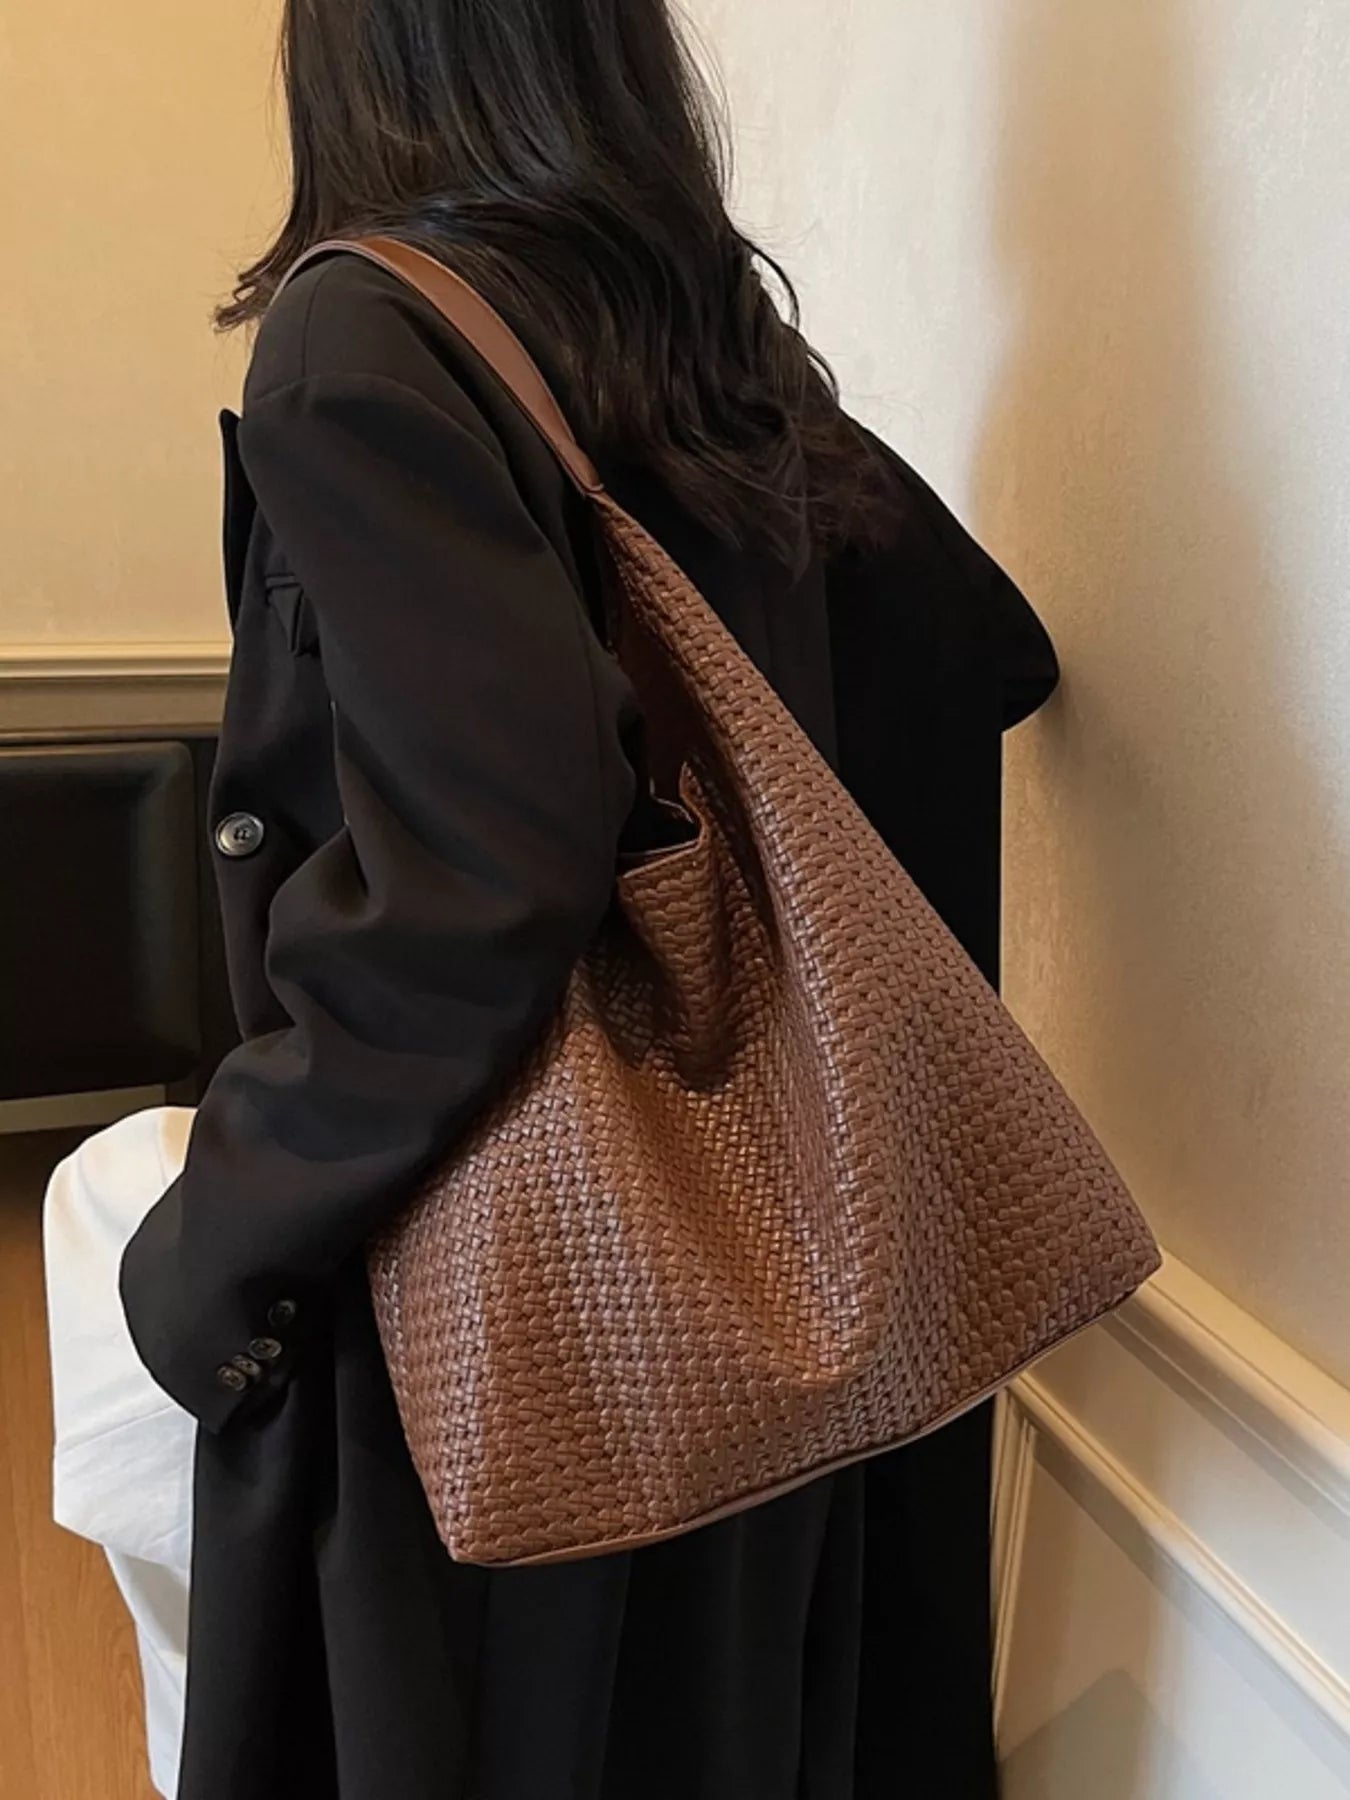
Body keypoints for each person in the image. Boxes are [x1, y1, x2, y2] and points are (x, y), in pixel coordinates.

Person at [47, 2, 1060, 1795]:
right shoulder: (710, 336)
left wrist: (233, 1237)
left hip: (498, 1276)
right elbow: (974, 655)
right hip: (749, 1290)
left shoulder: (362, 336)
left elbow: (486, 862)